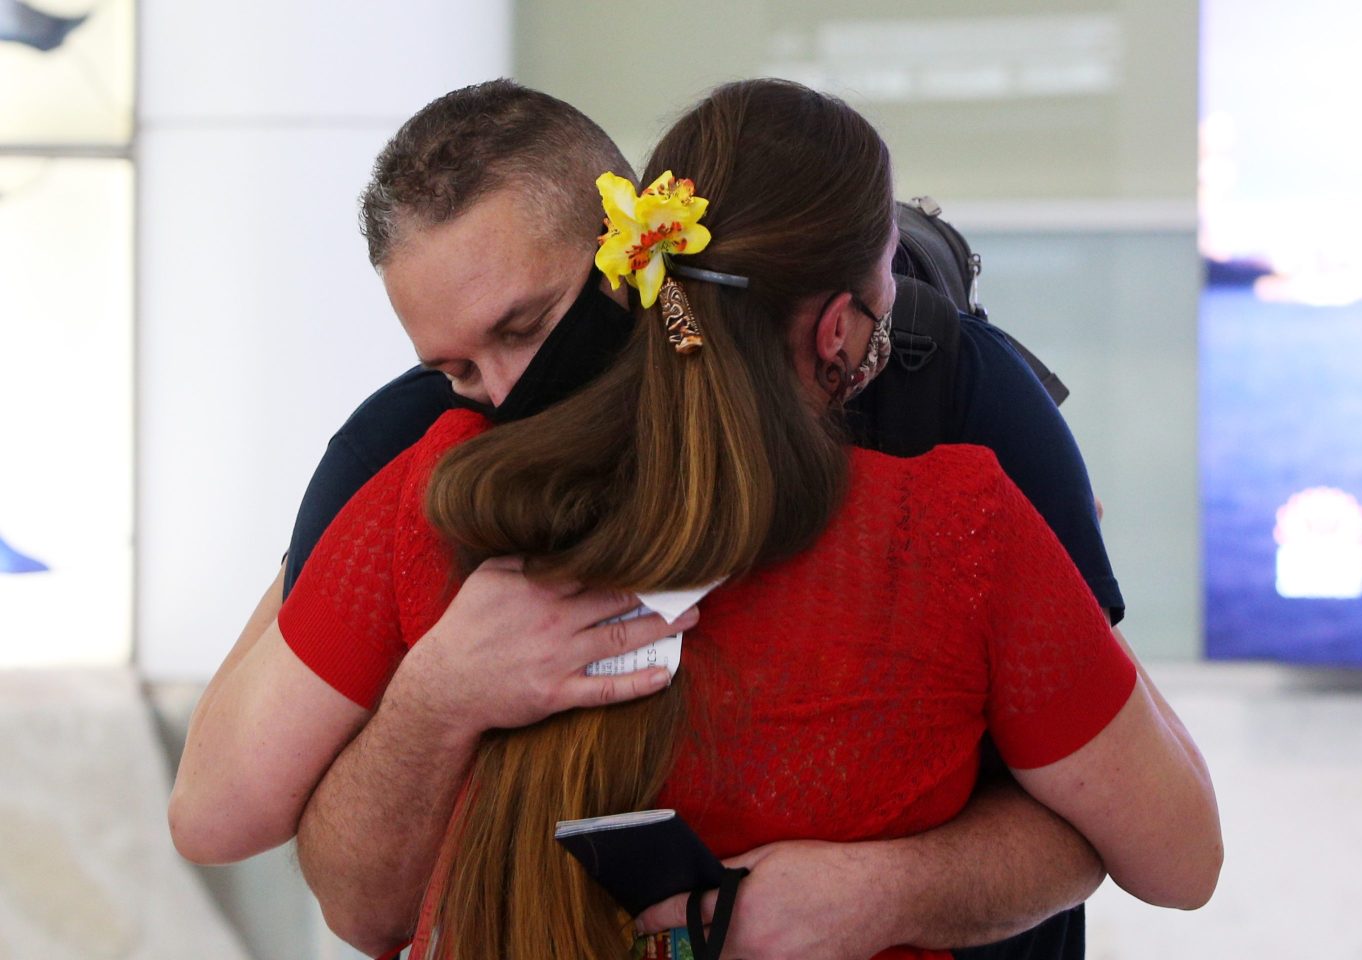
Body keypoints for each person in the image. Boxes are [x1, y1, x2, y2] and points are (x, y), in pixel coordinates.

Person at [167, 80, 1201, 959]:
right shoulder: (427, 461)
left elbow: (1120, 822)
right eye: (455, 367)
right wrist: (436, 685)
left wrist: (877, 893)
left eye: (530, 328)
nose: (507, 393)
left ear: (633, 256)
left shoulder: (956, 416)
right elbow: (245, 830)